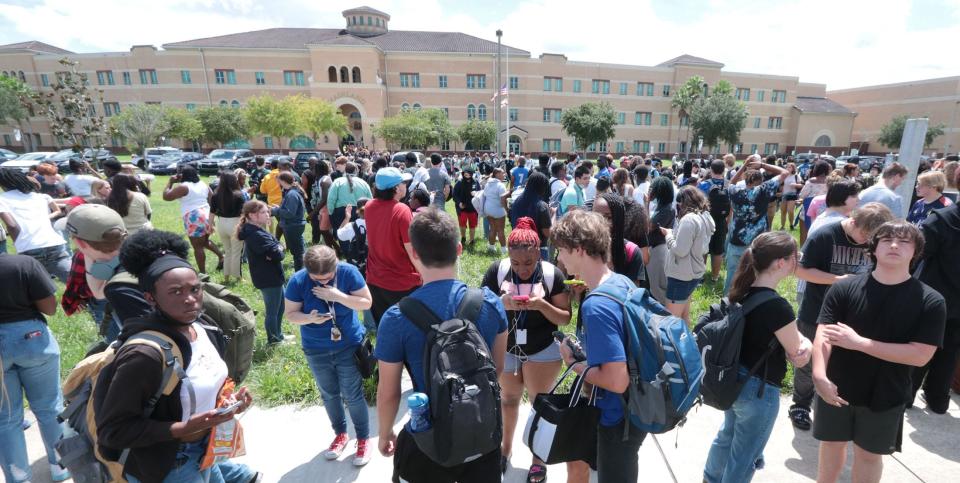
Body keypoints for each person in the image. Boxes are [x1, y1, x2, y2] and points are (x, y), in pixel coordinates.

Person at [94, 252, 259, 483]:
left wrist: (228, 401)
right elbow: (113, 431)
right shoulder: (144, 356)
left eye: (195, 289)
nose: (190, 299)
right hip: (169, 464)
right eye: (175, 292)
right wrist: (182, 428)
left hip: (205, 448)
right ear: (151, 298)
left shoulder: (200, 328)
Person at [375, 209, 508, 483]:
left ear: (413, 254)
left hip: (428, 442)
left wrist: (385, 432)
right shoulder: (491, 303)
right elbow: (498, 368)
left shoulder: (396, 318)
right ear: (459, 249)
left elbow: (389, 393)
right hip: (482, 435)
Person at [813, 221, 945, 483]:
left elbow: (920, 355)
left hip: (887, 392)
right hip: (836, 386)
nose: (894, 245)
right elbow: (824, 335)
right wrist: (819, 375)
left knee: (869, 456)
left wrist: (860, 343)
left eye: (904, 241)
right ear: (873, 249)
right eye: (886, 239)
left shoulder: (930, 300)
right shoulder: (844, 288)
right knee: (830, 445)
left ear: (916, 251)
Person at [702, 232, 812, 483]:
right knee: (745, 455)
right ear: (780, 263)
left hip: (733, 381)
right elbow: (798, 355)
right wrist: (808, 343)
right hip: (758, 390)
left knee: (726, 438)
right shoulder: (777, 307)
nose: (798, 261)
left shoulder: (741, 291)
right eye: (796, 256)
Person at [552, 210, 647, 483]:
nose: (559, 258)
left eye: (561, 250)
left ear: (579, 250)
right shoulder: (621, 282)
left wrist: (574, 364)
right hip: (636, 407)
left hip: (617, 416)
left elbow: (616, 381)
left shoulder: (596, 305)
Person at [789, 202, 894, 431]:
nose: (867, 241)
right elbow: (800, 270)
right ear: (853, 221)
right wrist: (837, 280)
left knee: (839, 363)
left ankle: (830, 403)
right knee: (808, 362)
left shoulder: (875, 242)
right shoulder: (825, 235)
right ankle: (801, 405)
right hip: (816, 312)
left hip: (855, 316)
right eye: (865, 234)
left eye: (872, 238)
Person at [481, 217, 570, 482]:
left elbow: (564, 317)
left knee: (539, 404)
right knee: (507, 400)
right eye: (516, 263)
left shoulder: (553, 274)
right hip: (507, 348)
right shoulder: (497, 270)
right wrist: (502, 303)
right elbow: (482, 309)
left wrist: (541, 305)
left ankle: (538, 460)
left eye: (529, 263)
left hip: (543, 349)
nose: (522, 269)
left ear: (539, 253)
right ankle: (504, 451)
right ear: (508, 254)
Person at [284, 245, 373, 465]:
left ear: (336, 266)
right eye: (317, 278)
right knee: (329, 394)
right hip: (316, 348)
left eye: (328, 277)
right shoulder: (298, 281)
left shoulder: (348, 272)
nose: (323, 282)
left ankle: (363, 438)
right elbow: (290, 314)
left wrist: (338, 296)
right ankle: (340, 434)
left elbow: (366, 302)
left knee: (352, 394)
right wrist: (308, 319)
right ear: (307, 271)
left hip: (348, 345)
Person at [0, 252, 70, 483]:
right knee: (49, 408)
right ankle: (60, 467)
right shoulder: (23, 263)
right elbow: (50, 308)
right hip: (32, 339)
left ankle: (18, 477)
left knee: (6, 418)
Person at [911, 170, 960, 414]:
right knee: (950, 350)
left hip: (933, 295)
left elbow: (918, 255)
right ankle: (938, 399)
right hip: (944, 298)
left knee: (921, 346)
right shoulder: (939, 218)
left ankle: (907, 395)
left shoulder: (940, 219)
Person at [723, 155, 788, 294]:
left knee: (731, 276)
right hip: (758, 243)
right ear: (760, 180)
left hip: (736, 240)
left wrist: (744, 166)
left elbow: (729, 183)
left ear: (745, 180)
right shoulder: (764, 190)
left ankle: (727, 304)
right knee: (754, 277)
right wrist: (762, 165)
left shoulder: (735, 192)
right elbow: (785, 172)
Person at [364, 167, 421, 326]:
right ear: (396, 188)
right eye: (403, 182)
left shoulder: (369, 206)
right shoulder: (402, 210)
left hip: (375, 279)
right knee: (408, 330)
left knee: (385, 327)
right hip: (401, 282)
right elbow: (412, 251)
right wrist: (426, 276)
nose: (406, 185)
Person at [0, 168, 71, 282]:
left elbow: (12, 225)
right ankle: (95, 298)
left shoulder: (2, 199)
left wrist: (18, 243)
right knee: (73, 281)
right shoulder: (40, 197)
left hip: (29, 247)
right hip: (54, 243)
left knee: (40, 288)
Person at [237, 200, 289, 345]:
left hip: (272, 275)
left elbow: (277, 249)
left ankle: (279, 335)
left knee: (280, 308)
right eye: (264, 212)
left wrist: (278, 247)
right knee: (273, 311)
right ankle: (273, 340)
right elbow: (278, 254)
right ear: (252, 215)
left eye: (268, 211)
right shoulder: (255, 234)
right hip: (268, 277)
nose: (268, 214)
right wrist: (279, 248)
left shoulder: (258, 230)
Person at [663, 186, 715, 321]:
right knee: (684, 314)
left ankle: (676, 342)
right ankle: (688, 341)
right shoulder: (704, 215)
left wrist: (668, 235)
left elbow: (680, 251)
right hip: (694, 272)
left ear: (683, 202)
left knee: (672, 320)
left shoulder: (689, 220)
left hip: (681, 276)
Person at [162, 165, 224, 274]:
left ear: (182, 175)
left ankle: (203, 274)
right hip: (206, 213)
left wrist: (170, 182)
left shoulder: (184, 187)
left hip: (194, 216)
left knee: (197, 247)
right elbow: (211, 198)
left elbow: (166, 196)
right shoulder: (203, 184)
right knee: (204, 241)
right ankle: (221, 256)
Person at [210, 170, 246, 283]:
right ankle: (238, 277)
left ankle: (226, 276)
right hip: (235, 223)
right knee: (236, 252)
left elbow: (212, 212)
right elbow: (242, 214)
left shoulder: (216, 194)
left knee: (227, 251)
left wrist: (210, 225)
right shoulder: (239, 195)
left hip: (221, 224)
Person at [646, 176, 676, 304]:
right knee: (654, 284)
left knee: (657, 286)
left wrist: (646, 203)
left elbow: (648, 227)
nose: (651, 191)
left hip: (659, 250)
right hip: (655, 248)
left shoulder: (667, 209)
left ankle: (666, 311)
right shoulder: (661, 206)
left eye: (654, 189)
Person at [327, 162, 373, 247]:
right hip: (360, 211)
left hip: (341, 212)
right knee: (359, 232)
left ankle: (347, 253)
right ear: (356, 171)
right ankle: (358, 252)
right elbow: (370, 200)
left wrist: (331, 213)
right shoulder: (363, 183)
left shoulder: (337, 182)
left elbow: (331, 200)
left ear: (344, 170)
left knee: (342, 234)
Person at [699, 160, 730, 283]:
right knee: (718, 251)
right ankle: (715, 277)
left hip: (706, 220)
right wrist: (727, 221)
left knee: (703, 249)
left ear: (711, 170)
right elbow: (731, 207)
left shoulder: (703, 185)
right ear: (723, 170)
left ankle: (700, 277)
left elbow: (699, 204)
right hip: (722, 220)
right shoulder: (729, 185)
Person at [509, 172, 552, 260]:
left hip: (517, 246)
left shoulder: (516, 201)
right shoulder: (542, 206)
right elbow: (546, 232)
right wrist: (553, 215)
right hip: (537, 249)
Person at [272, 172, 307, 272]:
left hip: (293, 226)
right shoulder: (291, 191)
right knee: (298, 251)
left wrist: (276, 211)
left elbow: (290, 213)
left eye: (278, 181)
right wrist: (279, 208)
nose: (278, 183)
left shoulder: (292, 194)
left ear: (283, 181)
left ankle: (299, 273)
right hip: (294, 225)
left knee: (297, 253)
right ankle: (302, 270)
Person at [798, 161, 831, 244]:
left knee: (804, 235)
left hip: (808, 211)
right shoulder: (830, 182)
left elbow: (802, 195)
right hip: (825, 212)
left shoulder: (811, 182)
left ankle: (803, 253)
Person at [483, 167, 510, 253]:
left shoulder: (487, 183)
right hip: (498, 210)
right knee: (500, 230)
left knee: (493, 228)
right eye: (502, 173)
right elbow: (503, 200)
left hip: (488, 209)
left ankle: (491, 247)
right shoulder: (500, 185)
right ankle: (503, 249)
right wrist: (507, 210)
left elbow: (486, 195)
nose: (504, 174)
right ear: (497, 174)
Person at [452, 167, 480, 245]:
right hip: (462, 208)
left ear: (471, 174)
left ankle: (472, 240)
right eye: (465, 174)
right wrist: (459, 203)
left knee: (472, 225)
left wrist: (476, 194)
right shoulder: (459, 182)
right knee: (462, 224)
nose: (466, 175)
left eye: (468, 174)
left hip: (473, 208)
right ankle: (463, 237)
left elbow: (480, 193)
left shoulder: (475, 182)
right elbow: (454, 195)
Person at [779, 163, 803, 230]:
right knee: (783, 211)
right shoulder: (784, 176)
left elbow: (801, 185)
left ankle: (791, 225)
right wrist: (780, 190)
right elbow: (780, 185)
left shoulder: (796, 176)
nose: (788, 168)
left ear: (793, 168)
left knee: (790, 211)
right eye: (787, 167)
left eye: (790, 167)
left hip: (792, 194)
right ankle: (782, 226)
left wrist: (795, 185)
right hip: (784, 195)